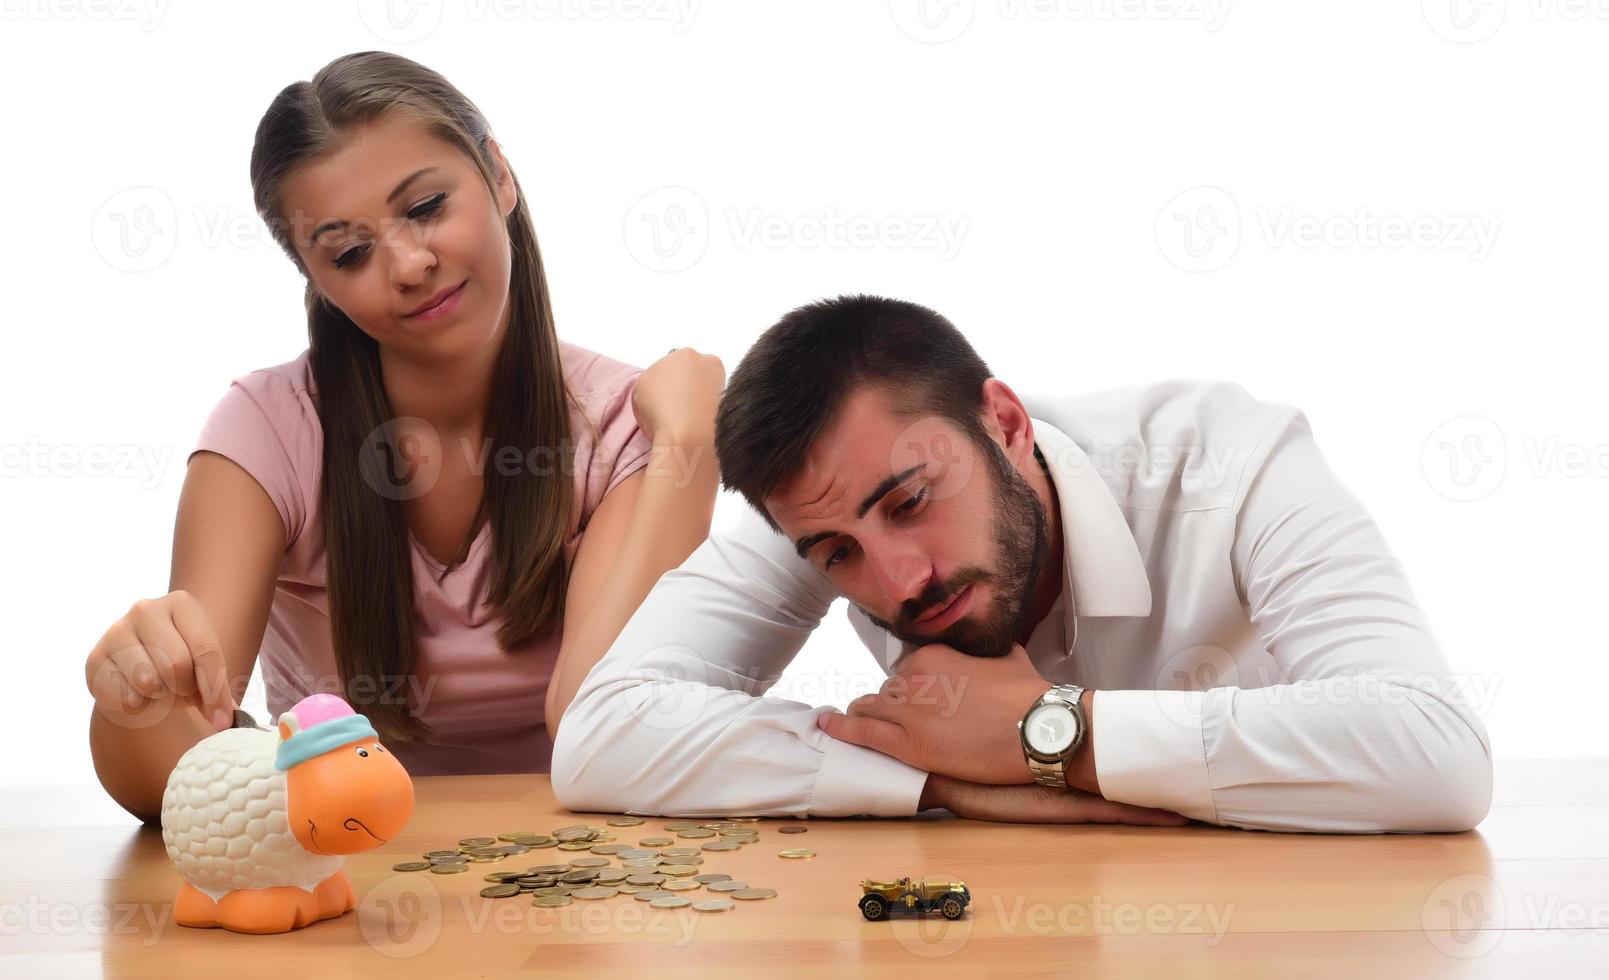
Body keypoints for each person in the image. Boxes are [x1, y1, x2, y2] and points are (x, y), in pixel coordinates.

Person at [552, 294, 1494, 833]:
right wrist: (939, 778)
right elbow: (603, 733)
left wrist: (1054, 735)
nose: (899, 582)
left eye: (913, 503)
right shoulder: (822, 498)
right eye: (839, 554)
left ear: (1004, 422)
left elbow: (1437, 754)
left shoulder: (1233, 462)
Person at [84, 51, 723, 822]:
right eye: (350, 253)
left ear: (500, 176)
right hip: (351, 881)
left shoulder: (629, 424)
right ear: (315, 280)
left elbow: (598, 724)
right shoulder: (267, 433)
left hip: (583, 880)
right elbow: (177, 775)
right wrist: (137, 698)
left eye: (425, 207)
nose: (411, 265)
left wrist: (690, 443)